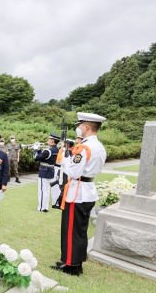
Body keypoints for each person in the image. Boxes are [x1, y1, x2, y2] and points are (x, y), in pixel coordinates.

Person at [52, 112, 107, 276]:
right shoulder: (99, 146)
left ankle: (71, 265)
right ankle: (75, 261)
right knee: (80, 231)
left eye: (79, 126)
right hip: (87, 191)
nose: (78, 129)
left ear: (87, 126)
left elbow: (73, 172)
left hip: (77, 193)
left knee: (71, 231)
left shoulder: (85, 147)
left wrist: (63, 159)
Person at [33, 133, 60, 212]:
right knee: (47, 191)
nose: (48, 140)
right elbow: (43, 156)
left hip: (44, 172)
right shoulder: (56, 149)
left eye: (49, 139)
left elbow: (35, 157)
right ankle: (45, 207)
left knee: (42, 191)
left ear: (52, 141)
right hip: (51, 171)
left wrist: (35, 149)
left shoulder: (48, 150)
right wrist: (39, 150)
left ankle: (41, 208)